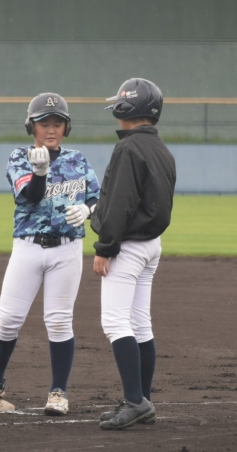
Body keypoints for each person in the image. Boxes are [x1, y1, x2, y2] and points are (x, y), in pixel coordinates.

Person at [0, 93, 100, 416]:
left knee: (59, 321)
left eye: (57, 123)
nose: (51, 129)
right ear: (32, 127)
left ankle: (58, 392)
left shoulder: (78, 160)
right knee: (8, 319)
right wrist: (39, 172)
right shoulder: (19, 158)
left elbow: (99, 197)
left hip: (67, 249)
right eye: (44, 123)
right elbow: (30, 197)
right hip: (28, 247)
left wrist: (88, 209)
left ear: (66, 127)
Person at [90, 78, 176, 430]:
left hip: (127, 246)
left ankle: (135, 402)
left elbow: (121, 203)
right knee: (140, 322)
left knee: (114, 322)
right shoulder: (162, 149)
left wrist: (105, 247)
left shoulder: (128, 148)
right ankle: (142, 399)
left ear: (129, 107)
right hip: (152, 245)